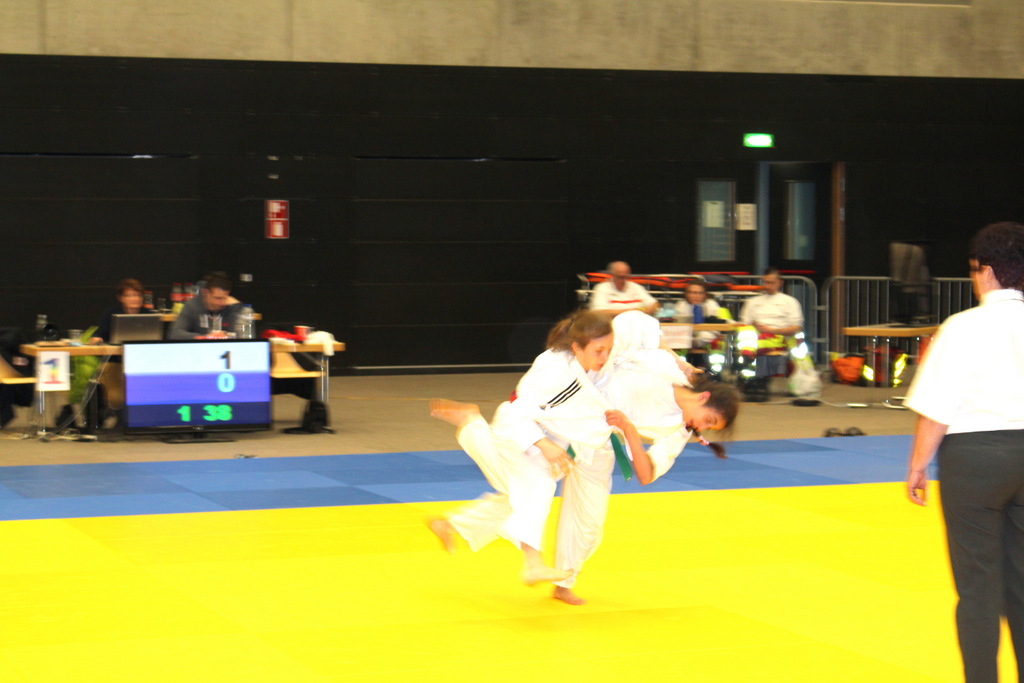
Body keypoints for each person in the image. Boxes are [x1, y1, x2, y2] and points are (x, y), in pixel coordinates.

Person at [428, 310, 642, 594]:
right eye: (599, 350)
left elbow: (634, 345)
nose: (605, 357)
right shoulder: (559, 376)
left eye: (608, 349)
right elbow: (518, 413)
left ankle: (450, 521)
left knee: (515, 495)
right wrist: (544, 444)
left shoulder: (583, 362)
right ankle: (532, 563)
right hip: (520, 430)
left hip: (543, 433)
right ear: (577, 347)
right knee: (537, 487)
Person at [905, 221, 1024, 683]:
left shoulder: (962, 326)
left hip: (975, 459)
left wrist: (918, 465)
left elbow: (936, 408)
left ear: (987, 271)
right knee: (1021, 583)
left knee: (978, 585)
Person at [737, 267, 803, 400]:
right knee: (747, 334)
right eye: (765, 282)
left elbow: (796, 327)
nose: (767, 286)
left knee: (758, 341)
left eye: (771, 283)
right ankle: (751, 376)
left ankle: (757, 379)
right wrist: (755, 326)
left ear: (780, 283)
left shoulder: (789, 302)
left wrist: (771, 330)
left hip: (779, 335)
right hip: (754, 336)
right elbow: (744, 323)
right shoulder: (753, 302)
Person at [673, 280, 732, 372]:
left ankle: (715, 372)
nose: (696, 296)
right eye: (693, 293)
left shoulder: (711, 304)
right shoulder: (680, 306)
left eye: (700, 293)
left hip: (706, 336)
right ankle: (679, 370)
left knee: (713, 339)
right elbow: (677, 328)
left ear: (705, 294)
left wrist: (696, 342)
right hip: (686, 337)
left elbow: (715, 328)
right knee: (676, 341)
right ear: (686, 294)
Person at [168, 273, 243, 339]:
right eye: (217, 298)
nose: (222, 303)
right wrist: (205, 338)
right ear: (206, 293)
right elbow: (175, 334)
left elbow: (240, 333)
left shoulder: (231, 306)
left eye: (225, 298)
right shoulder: (192, 306)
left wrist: (238, 306)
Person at [89, 278, 155, 344]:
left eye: (139, 295)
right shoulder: (111, 314)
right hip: (115, 349)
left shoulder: (149, 315)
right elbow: (99, 333)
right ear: (121, 298)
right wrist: (96, 338)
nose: (135, 299)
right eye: (130, 295)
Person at [588, 261, 658, 316]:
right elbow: (599, 312)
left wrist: (650, 309)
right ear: (612, 275)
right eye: (619, 277)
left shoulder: (636, 287)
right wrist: (636, 310)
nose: (623, 280)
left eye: (625, 277)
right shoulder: (602, 288)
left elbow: (654, 304)